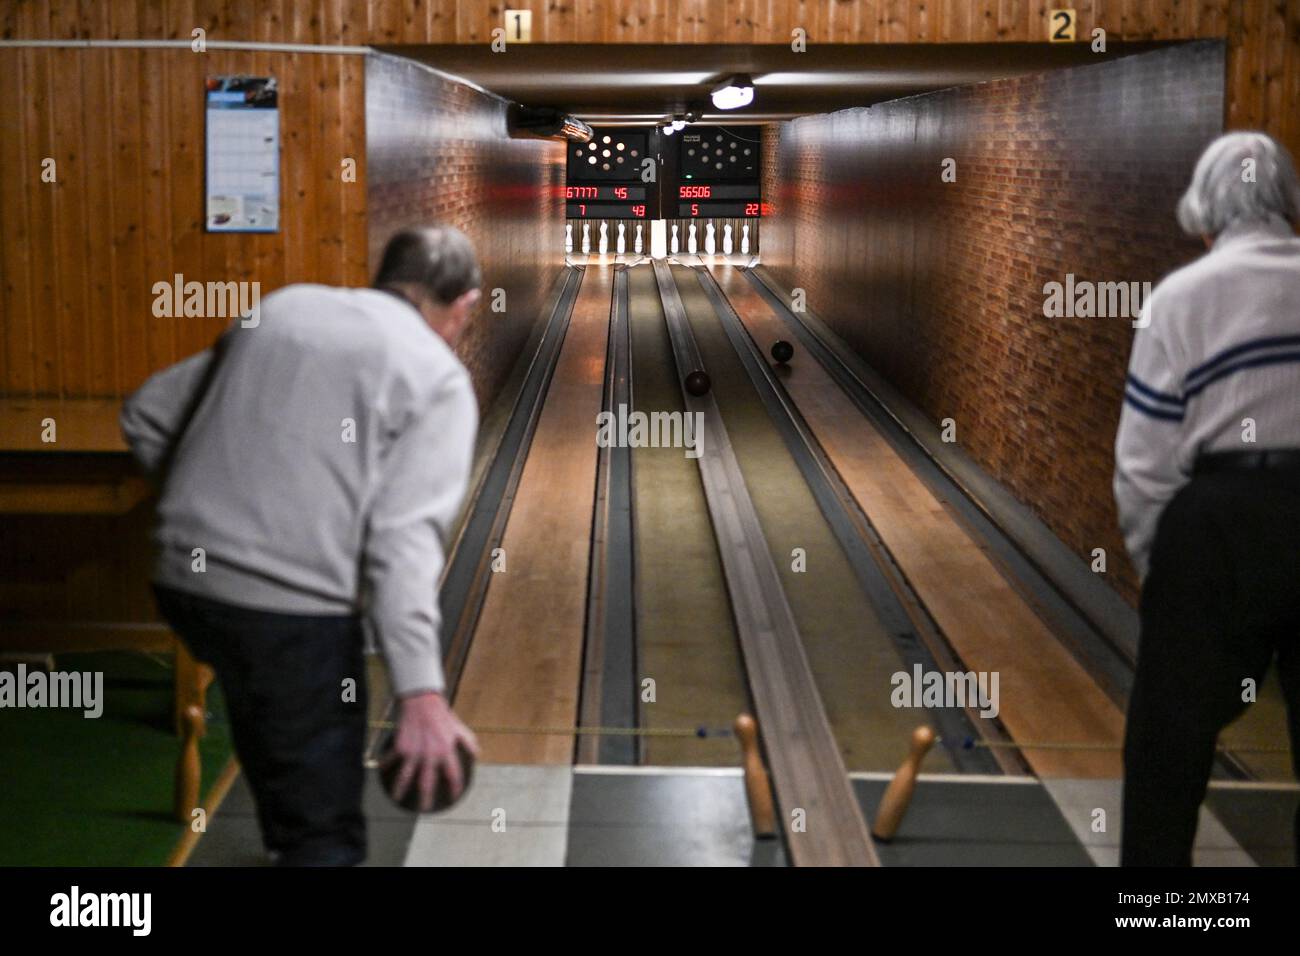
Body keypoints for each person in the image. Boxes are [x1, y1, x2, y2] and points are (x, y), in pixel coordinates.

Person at [121, 226, 484, 866]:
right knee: (324, 834)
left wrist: (205, 514)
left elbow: (148, 411)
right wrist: (421, 693)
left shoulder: (285, 309)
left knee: (270, 722)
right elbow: (404, 545)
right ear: (465, 305)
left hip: (184, 585)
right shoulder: (436, 378)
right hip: (287, 616)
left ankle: (285, 831)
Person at [1114, 132, 1300, 866]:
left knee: (1170, 740)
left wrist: (1161, 571)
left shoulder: (1179, 297)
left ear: (1204, 214)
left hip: (1219, 517)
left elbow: (1145, 462)